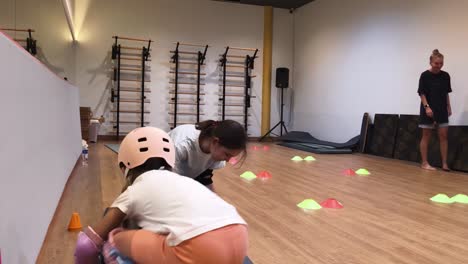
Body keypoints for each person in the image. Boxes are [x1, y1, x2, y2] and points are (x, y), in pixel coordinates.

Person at [74, 127, 248, 264]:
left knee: (116, 237)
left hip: (200, 248)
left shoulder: (134, 191)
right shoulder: (186, 181)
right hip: (239, 237)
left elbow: (85, 246)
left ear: (124, 166)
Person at [169, 120, 247, 190]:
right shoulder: (181, 145)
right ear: (215, 142)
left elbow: (204, 179)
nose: (228, 160)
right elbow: (166, 182)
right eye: (227, 154)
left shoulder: (214, 151)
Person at [418, 49, 453, 171]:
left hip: (442, 109)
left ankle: (444, 164)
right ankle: (424, 163)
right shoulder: (425, 75)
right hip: (428, 109)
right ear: (431, 62)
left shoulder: (445, 76)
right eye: (436, 63)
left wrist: (448, 106)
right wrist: (427, 107)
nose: (439, 66)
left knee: (443, 136)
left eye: (441, 63)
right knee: (426, 136)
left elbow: (446, 93)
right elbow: (422, 93)